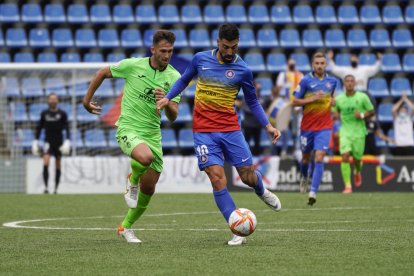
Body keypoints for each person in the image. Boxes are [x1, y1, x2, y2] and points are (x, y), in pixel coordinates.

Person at [156, 23, 282, 246]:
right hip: (203, 132)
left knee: (247, 176)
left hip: (231, 130)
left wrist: (268, 126)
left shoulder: (243, 70)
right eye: (226, 47)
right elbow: (184, 79)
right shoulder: (200, 60)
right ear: (217, 42)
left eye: (234, 47)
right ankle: (236, 227)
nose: (230, 52)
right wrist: (168, 96)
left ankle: (261, 190)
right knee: (216, 178)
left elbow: (252, 100)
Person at [83, 30, 181, 243]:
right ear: (153, 49)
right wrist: (86, 100)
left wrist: (166, 101)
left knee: (150, 189)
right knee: (144, 159)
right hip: (128, 128)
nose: (166, 55)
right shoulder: (133, 65)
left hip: (153, 135)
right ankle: (132, 178)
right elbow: (102, 72)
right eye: (163, 51)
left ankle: (125, 227)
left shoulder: (174, 77)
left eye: (170, 51)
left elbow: (173, 116)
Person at [292, 52, 338, 205]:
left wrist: (333, 102)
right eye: (317, 63)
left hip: (324, 127)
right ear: (313, 64)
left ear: (326, 65)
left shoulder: (332, 81)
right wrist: (312, 98)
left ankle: (313, 192)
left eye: (322, 63)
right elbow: (294, 101)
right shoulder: (305, 80)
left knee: (319, 156)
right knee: (306, 158)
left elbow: (333, 97)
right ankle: (304, 177)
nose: (319, 66)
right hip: (307, 127)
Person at [333, 75, 374, 193]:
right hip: (345, 132)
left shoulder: (362, 97)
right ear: (344, 84)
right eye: (347, 81)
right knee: (345, 156)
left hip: (359, 133)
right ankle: (347, 186)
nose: (350, 83)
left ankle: (357, 171)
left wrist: (361, 115)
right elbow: (335, 114)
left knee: (357, 159)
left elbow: (371, 111)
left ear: (355, 83)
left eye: (352, 81)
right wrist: (333, 111)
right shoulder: (339, 99)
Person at [32, 93, 70, 194]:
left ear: (57, 101)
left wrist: (67, 141)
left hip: (59, 143)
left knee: (58, 164)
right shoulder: (44, 113)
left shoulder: (63, 114)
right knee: (46, 163)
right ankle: (46, 188)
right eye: (51, 99)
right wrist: (35, 141)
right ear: (48, 101)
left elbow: (67, 128)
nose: (53, 101)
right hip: (47, 142)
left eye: (55, 99)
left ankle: (56, 189)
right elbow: (39, 128)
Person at [237, 81, 271, 156]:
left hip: (257, 125)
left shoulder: (261, 98)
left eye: (259, 89)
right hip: (248, 125)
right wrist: (257, 111)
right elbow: (246, 109)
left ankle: (256, 160)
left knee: (257, 143)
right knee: (246, 143)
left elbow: (264, 110)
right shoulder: (247, 98)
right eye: (257, 88)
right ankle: (244, 157)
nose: (259, 90)